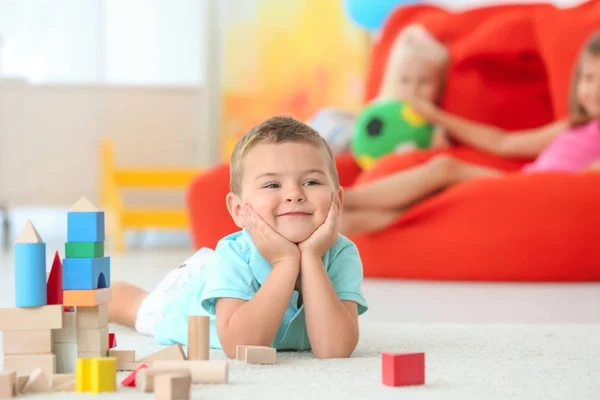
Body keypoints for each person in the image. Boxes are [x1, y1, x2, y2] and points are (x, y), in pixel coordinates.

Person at [108, 116, 368, 359]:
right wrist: (285, 262)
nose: (294, 194)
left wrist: (310, 257)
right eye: (272, 185)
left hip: (229, 270)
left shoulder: (342, 254)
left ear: (338, 200)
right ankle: (89, 293)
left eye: (311, 182)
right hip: (191, 291)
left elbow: (334, 349)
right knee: (136, 307)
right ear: (239, 210)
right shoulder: (234, 255)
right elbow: (241, 346)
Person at [339, 30, 600, 236]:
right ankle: (346, 222)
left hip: (543, 197)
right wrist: (437, 116)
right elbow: (502, 142)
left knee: (445, 168)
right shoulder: (571, 127)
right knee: (427, 203)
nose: (595, 89)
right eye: (588, 78)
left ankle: (344, 198)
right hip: (523, 186)